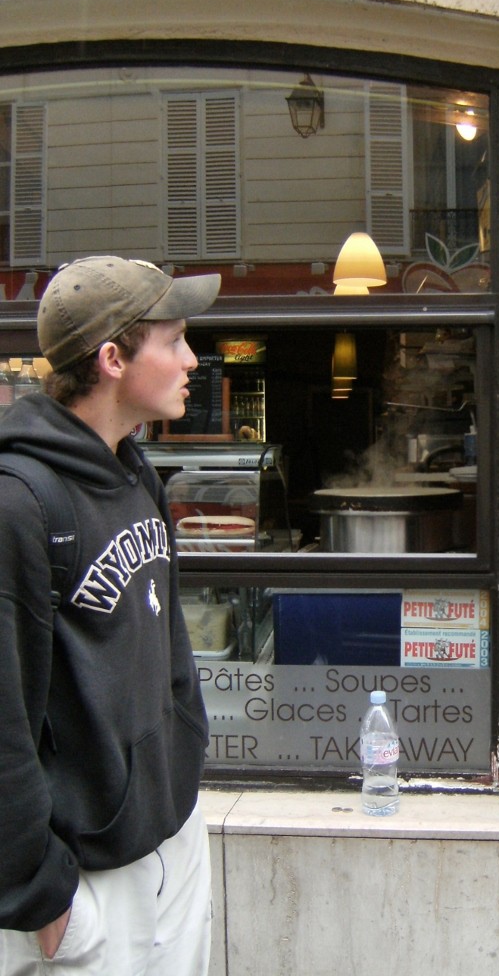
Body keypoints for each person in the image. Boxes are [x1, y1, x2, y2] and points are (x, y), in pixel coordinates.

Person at [0, 256, 221, 974]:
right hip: (86, 880)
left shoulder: (136, 473)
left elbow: (164, 645)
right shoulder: (19, 505)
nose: (192, 359)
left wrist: (184, 751)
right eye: (175, 339)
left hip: (169, 837)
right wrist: (42, 899)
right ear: (113, 358)